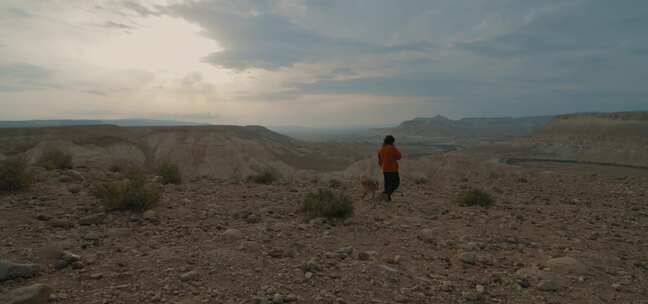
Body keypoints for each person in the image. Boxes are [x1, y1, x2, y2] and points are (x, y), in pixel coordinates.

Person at [377, 135, 401, 201]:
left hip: (385, 169)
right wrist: (393, 147)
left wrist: (383, 166)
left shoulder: (381, 149)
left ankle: (387, 199)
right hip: (392, 169)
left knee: (387, 184)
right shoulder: (391, 148)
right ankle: (384, 194)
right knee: (396, 183)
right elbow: (399, 156)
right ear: (391, 141)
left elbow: (380, 161)